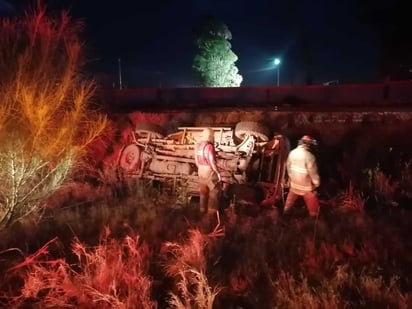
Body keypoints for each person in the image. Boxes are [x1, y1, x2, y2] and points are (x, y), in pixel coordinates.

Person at [284, 135, 320, 217]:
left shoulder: (292, 153)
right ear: (309, 145)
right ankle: (314, 222)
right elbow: (313, 175)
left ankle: (284, 216)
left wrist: (291, 180)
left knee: (288, 206)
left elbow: (289, 169)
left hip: (294, 186)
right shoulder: (310, 157)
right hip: (306, 188)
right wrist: (317, 184)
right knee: (314, 210)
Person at [194, 128, 222, 216]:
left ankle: (202, 212)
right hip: (209, 171)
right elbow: (212, 161)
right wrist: (217, 172)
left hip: (201, 171)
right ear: (210, 136)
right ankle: (211, 215)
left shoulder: (198, 146)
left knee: (203, 192)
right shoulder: (210, 147)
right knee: (214, 192)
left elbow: (196, 161)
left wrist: (201, 168)